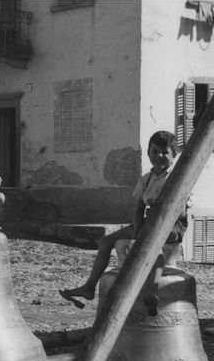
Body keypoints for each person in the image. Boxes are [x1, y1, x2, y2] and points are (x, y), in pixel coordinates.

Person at [58, 130, 190, 316]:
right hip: (149, 222)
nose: (158, 156)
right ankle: (89, 287)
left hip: (172, 225)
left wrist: (157, 219)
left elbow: (180, 210)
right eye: (154, 152)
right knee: (106, 242)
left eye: (164, 152)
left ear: (174, 155)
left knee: (155, 245)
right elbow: (138, 209)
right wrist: (137, 232)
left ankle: (152, 291)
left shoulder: (177, 179)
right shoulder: (147, 179)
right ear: (148, 154)